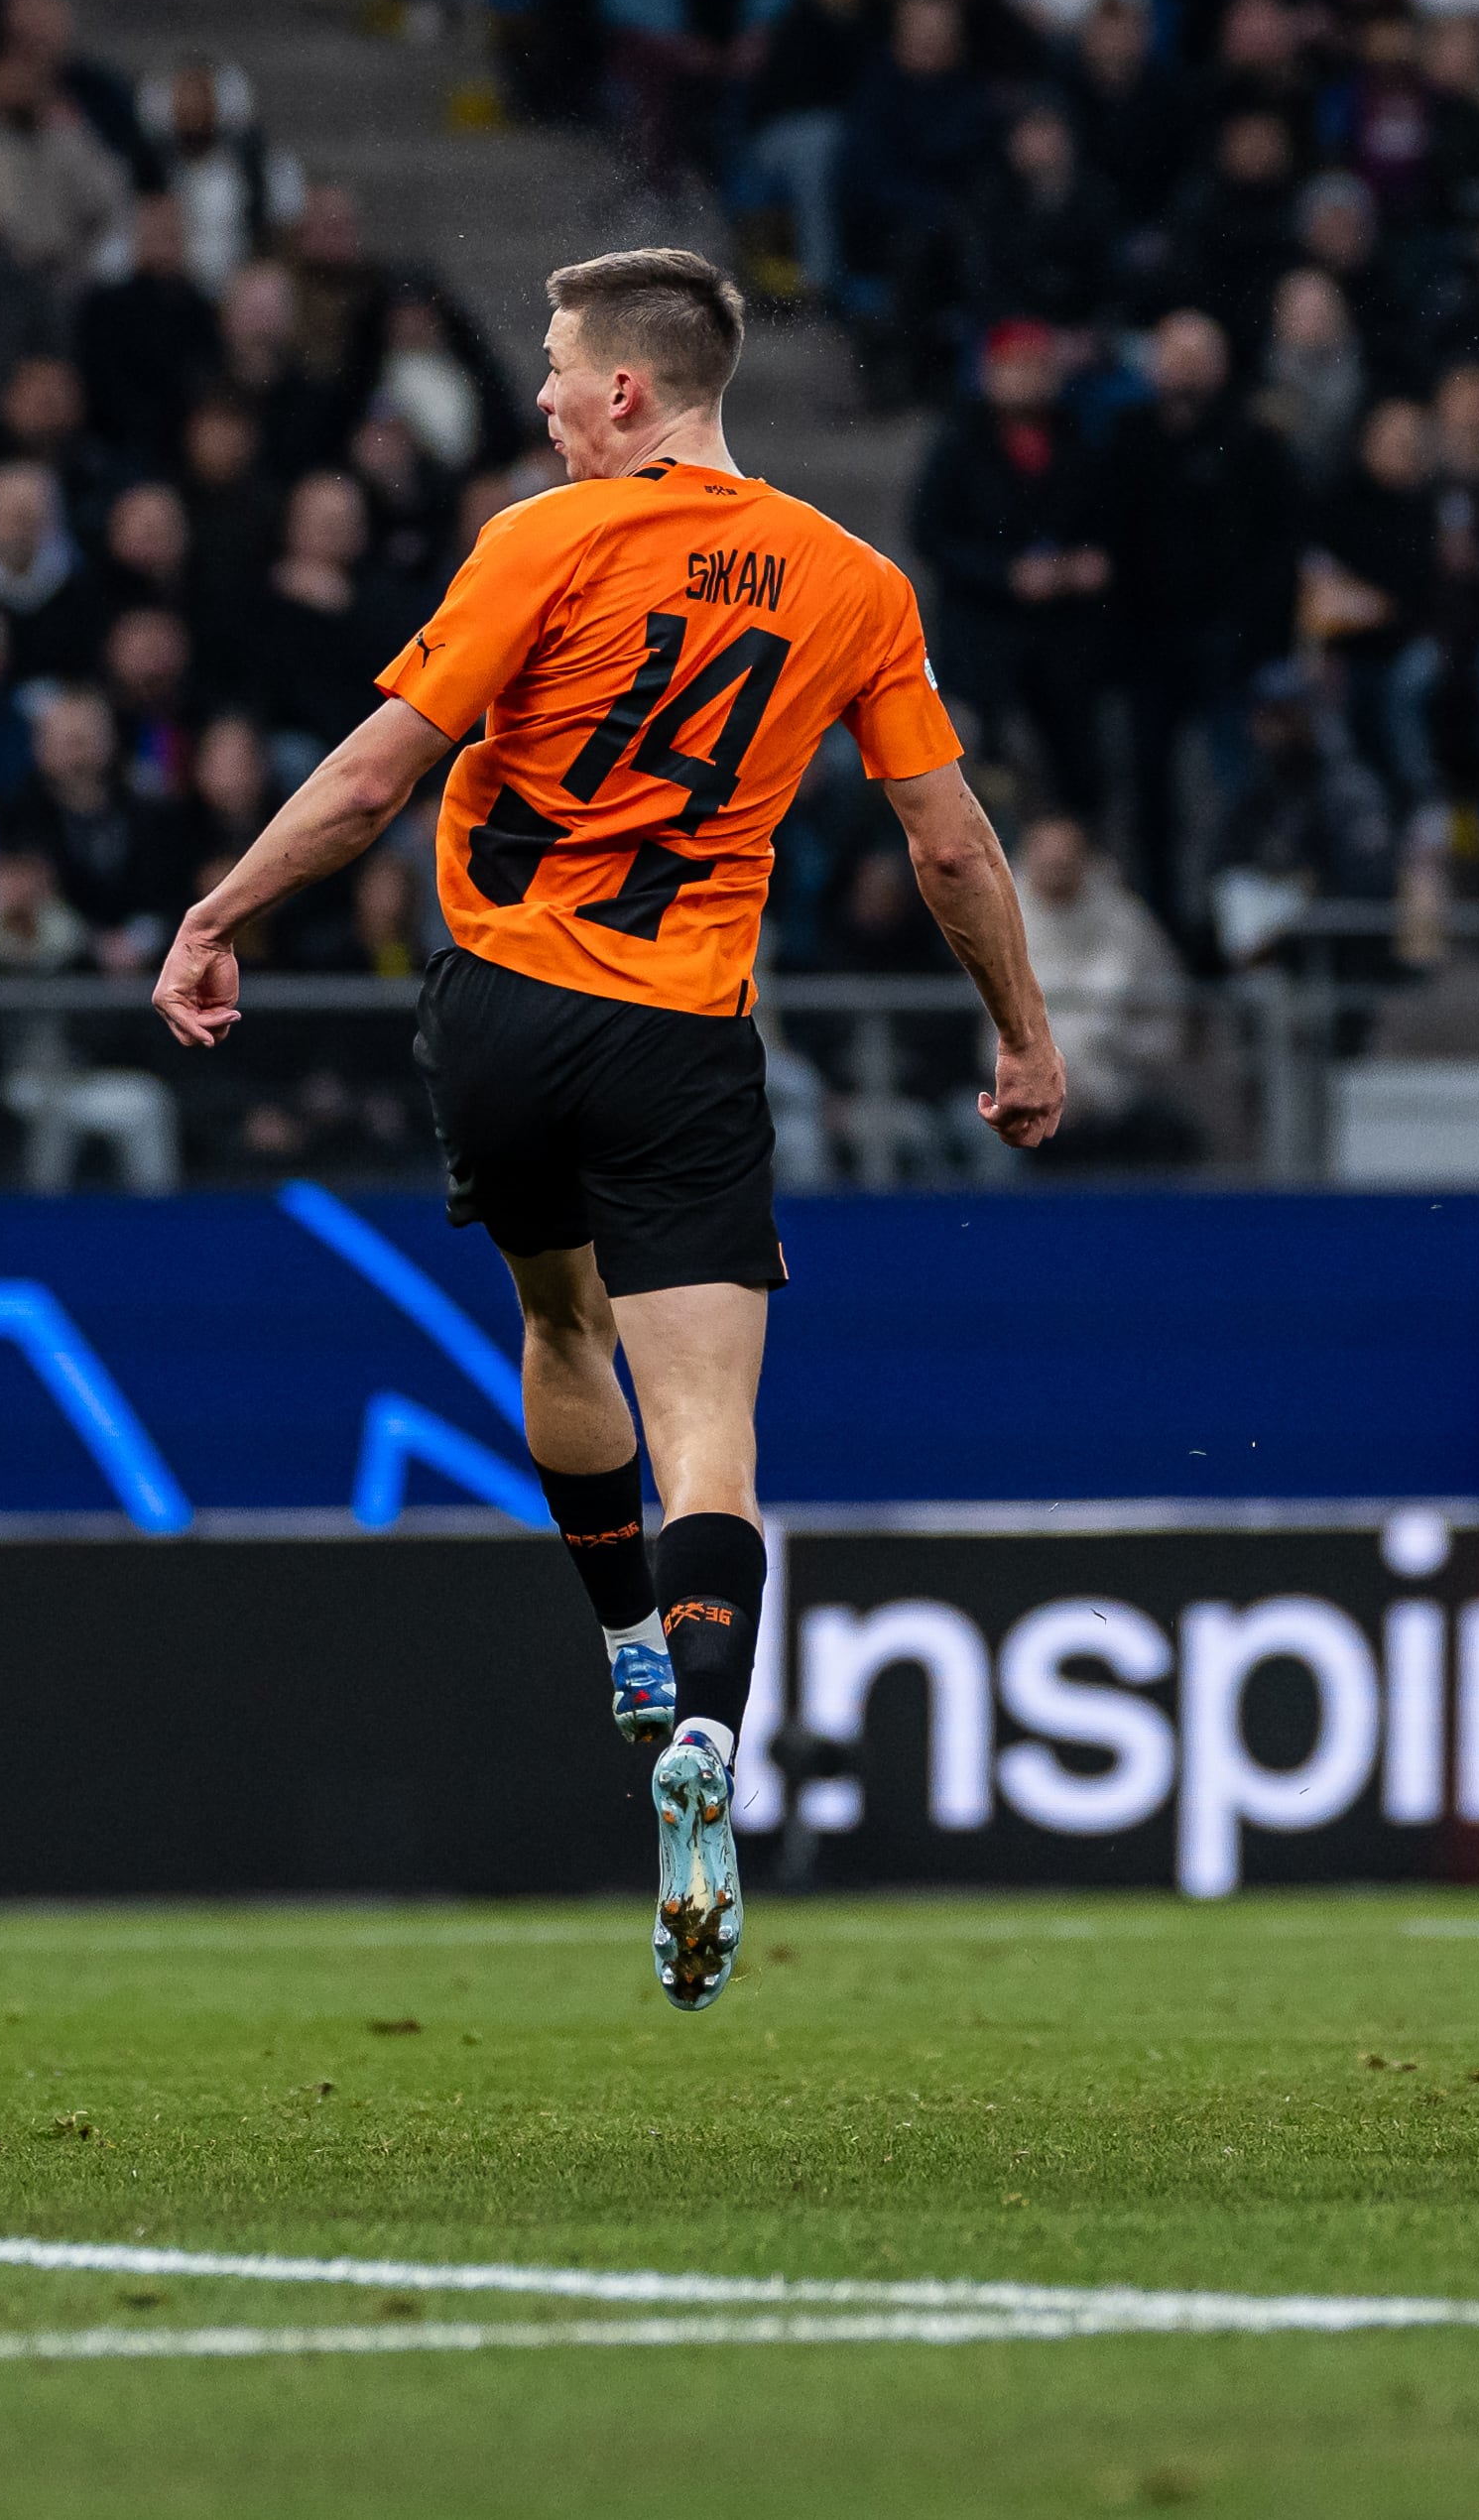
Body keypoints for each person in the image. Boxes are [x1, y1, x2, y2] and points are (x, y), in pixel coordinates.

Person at [148, 249, 1062, 2010]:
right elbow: (946, 842)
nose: (545, 398)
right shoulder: (850, 581)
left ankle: (629, 1644)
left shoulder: (535, 538)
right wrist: (1019, 1033)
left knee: (555, 1321)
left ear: (629, 395)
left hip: (496, 1007)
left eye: (559, 371)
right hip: (679, 1029)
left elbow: (363, 775)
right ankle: (706, 1734)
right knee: (705, 1424)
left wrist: (216, 915)